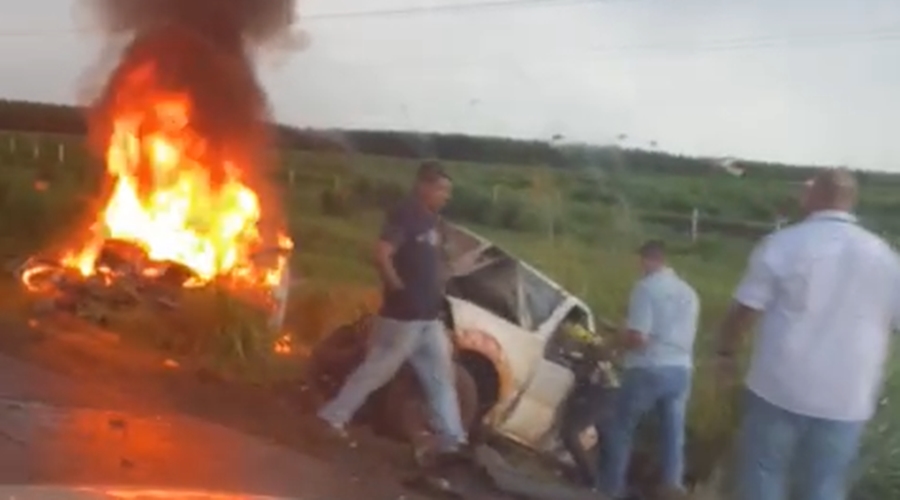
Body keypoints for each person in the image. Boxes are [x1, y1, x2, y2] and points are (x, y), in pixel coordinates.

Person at [715, 168, 900, 500]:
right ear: (850, 201)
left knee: (763, 471)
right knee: (824, 484)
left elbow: (745, 311)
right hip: (847, 397)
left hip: (778, 386)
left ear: (813, 196)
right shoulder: (885, 256)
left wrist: (726, 354)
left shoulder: (783, 244)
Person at [316, 160, 467, 458]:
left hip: (428, 318)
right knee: (377, 370)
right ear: (423, 186)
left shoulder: (435, 223)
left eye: (448, 191)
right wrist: (398, 289)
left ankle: (452, 439)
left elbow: (442, 262)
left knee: (440, 376)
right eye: (441, 189)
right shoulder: (405, 215)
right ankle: (332, 417)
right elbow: (382, 254)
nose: (445, 196)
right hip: (403, 316)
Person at [597, 240, 700, 500]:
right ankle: (672, 487)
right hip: (681, 370)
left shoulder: (645, 288)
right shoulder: (690, 293)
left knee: (621, 427)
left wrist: (614, 343)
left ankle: (610, 490)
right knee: (673, 434)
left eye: (640, 261)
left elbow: (639, 338)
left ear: (647, 259)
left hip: (648, 368)